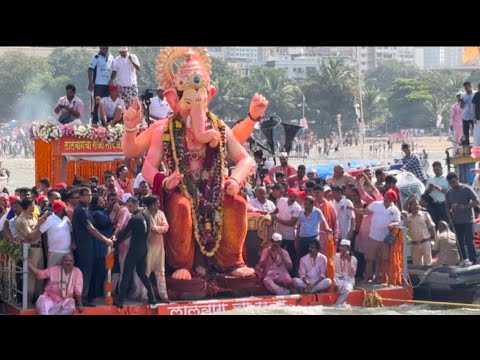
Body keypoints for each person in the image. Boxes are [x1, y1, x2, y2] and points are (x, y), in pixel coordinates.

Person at [445, 172, 479, 266]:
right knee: (459, 241)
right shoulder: (449, 192)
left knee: (469, 240)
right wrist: (450, 219)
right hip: (456, 220)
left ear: (457, 179)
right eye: (450, 183)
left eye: (454, 182)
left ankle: (473, 260)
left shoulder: (466, 188)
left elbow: (476, 201)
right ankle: (464, 259)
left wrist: (465, 207)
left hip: (468, 219)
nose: (453, 184)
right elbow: (447, 207)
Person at [88, 46, 114, 125]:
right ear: (100, 48)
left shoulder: (111, 57)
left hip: (107, 84)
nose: (105, 50)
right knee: (97, 103)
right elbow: (90, 69)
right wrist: (90, 82)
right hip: (98, 83)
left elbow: (114, 69)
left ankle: (105, 122)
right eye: (103, 48)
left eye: (106, 48)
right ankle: (95, 122)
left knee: (106, 103)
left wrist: (112, 80)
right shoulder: (96, 57)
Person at [334, 239, 357, 305]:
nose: (341, 248)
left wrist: (349, 260)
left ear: (348, 248)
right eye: (341, 246)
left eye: (343, 247)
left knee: (347, 289)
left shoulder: (353, 259)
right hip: (337, 278)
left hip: (348, 279)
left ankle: (336, 305)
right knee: (334, 284)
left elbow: (352, 274)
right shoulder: (335, 256)